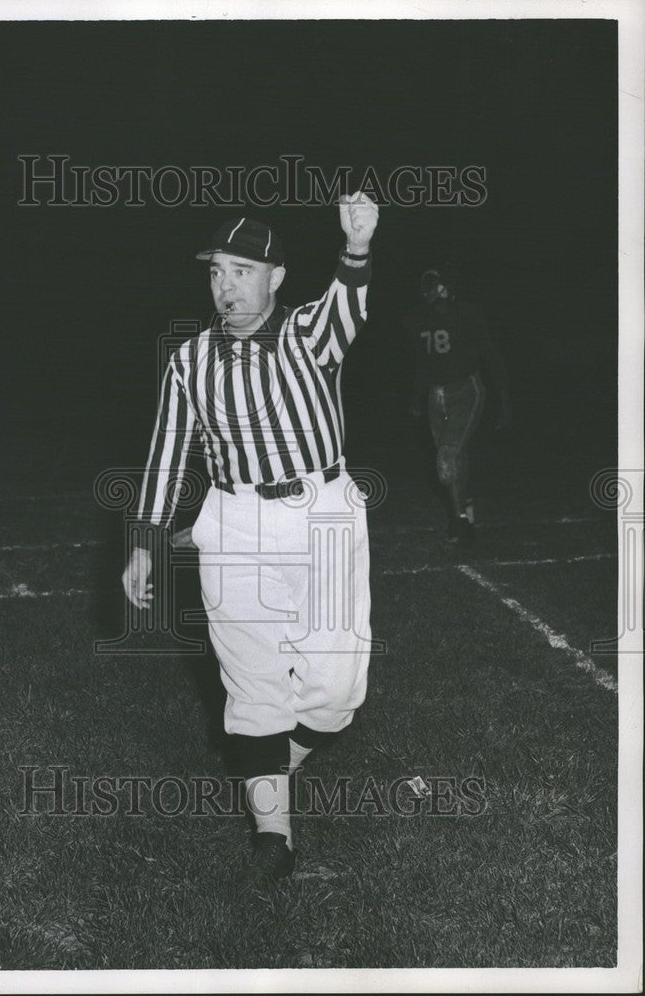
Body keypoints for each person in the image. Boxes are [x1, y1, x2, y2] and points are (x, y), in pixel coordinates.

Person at [122, 197, 379, 888]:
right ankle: (274, 838)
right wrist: (144, 541)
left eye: (243, 270)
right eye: (216, 273)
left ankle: (264, 765)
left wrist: (355, 246)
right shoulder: (189, 360)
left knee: (335, 692)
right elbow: (166, 452)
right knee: (253, 685)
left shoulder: (307, 335)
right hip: (234, 522)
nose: (226, 286)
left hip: (322, 512)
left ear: (275, 277)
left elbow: (346, 306)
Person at [403, 263, 511, 543]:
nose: (426, 290)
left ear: (445, 289)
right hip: (436, 396)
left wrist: (503, 397)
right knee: (452, 459)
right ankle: (466, 501)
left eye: (433, 284)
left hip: (466, 390)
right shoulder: (416, 319)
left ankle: (459, 522)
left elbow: (489, 353)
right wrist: (417, 396)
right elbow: (422, 363)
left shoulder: (468, 313)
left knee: (446, 458)